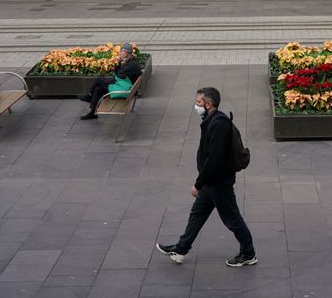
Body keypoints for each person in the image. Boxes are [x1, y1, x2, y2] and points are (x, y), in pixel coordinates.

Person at [156, 87, 256, 268]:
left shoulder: (218, 124)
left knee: (232, 218)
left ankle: (248, 253)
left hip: (218, 182)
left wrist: (198, 183)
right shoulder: (211, 120)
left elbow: (214, 159)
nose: (196, 105)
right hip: (211, 182)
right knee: (197, 214)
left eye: (199, 102)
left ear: (208, 104)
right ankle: (181, 249)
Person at [79, 42, 142, 120]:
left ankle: (89, 96)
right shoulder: (131, 61)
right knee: (98, 88)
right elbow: (119, 75)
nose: (119, 53)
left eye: (121, 52)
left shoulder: (131, 65)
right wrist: (119, 64)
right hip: (124, 85)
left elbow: (117, 75)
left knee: (99, 79)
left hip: (124, 89)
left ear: (126, 54)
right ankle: (92, 112)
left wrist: (118, 63)